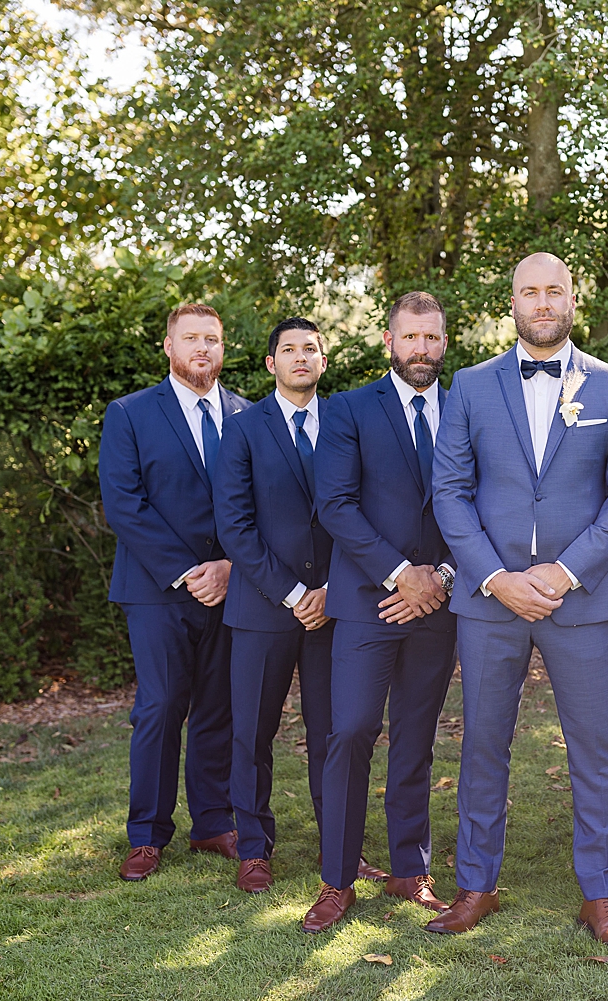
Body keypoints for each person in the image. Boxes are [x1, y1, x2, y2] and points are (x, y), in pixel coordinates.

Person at [431, 252, 608, 946]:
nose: (543, 301)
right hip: (490, 598)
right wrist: (497, 576)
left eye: (555, 289)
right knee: (483, 745)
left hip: (580, 600)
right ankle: (476, 886)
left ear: (572, 297)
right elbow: (450, 492)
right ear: (514, 301)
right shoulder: (468, 385)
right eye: (531, 290)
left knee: (593, 748)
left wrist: (564, 572)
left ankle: (602, 895)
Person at [301, 291, 459, 932]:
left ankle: (408, 868)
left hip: (441, 603)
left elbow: (482, 501)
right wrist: (401, 574)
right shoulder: (347, 409)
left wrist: (441, 576)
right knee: (352, 732)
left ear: (444, 342)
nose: (421, 349)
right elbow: (334, 504)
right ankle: (336, 880)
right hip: (369, 601)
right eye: (409, 338)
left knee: (417, 738)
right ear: (388, 342)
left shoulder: (468, 407)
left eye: (432, 338)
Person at [99, 303, 250, 881]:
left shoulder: (248, 414)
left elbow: (266, 505)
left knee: (219, 708)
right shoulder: (131, 414)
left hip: (234, 586)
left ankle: (213, 822)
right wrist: (192, 570)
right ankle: (146, 834)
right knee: (160, 707)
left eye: (211, 338)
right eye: (191, 338)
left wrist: (231, 566)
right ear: (168, 346)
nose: (202, 349)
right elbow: (125, 505)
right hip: (158, 589)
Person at [213, 318, 337, 893]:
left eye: (310, 348)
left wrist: (333, 590)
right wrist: (293, 595)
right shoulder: (241, 430)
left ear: (323, 359)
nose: (300, 357)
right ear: (271, 364)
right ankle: (255, 848)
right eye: (288, 350)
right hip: (264, 609)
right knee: (253, 734)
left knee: (333, 733)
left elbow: (361, 515)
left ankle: (339, 848)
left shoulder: (346, 422)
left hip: (337, 610)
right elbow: (235, 528)